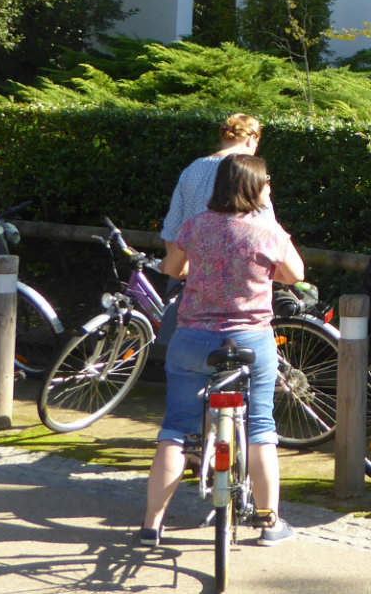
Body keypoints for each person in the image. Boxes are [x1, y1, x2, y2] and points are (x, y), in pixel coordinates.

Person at [141, 153, 302, 549]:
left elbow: (173, 267)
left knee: (177, 429)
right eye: (267, 183)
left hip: (193, 338)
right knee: (261, 427)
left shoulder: (195, 226)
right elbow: (295, 274)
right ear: (255, 187)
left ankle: (150, 526)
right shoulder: (268, 232)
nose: (270, 188)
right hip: (250, 341)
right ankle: (269, 523)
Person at [156, 113, 267, 348]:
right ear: (251, 139)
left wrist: (178, 270)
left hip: (189, 271)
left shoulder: (192, 168)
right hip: (235, 279)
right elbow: (266, 228)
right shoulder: (248, 173)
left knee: (186, 345)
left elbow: (173, 224)